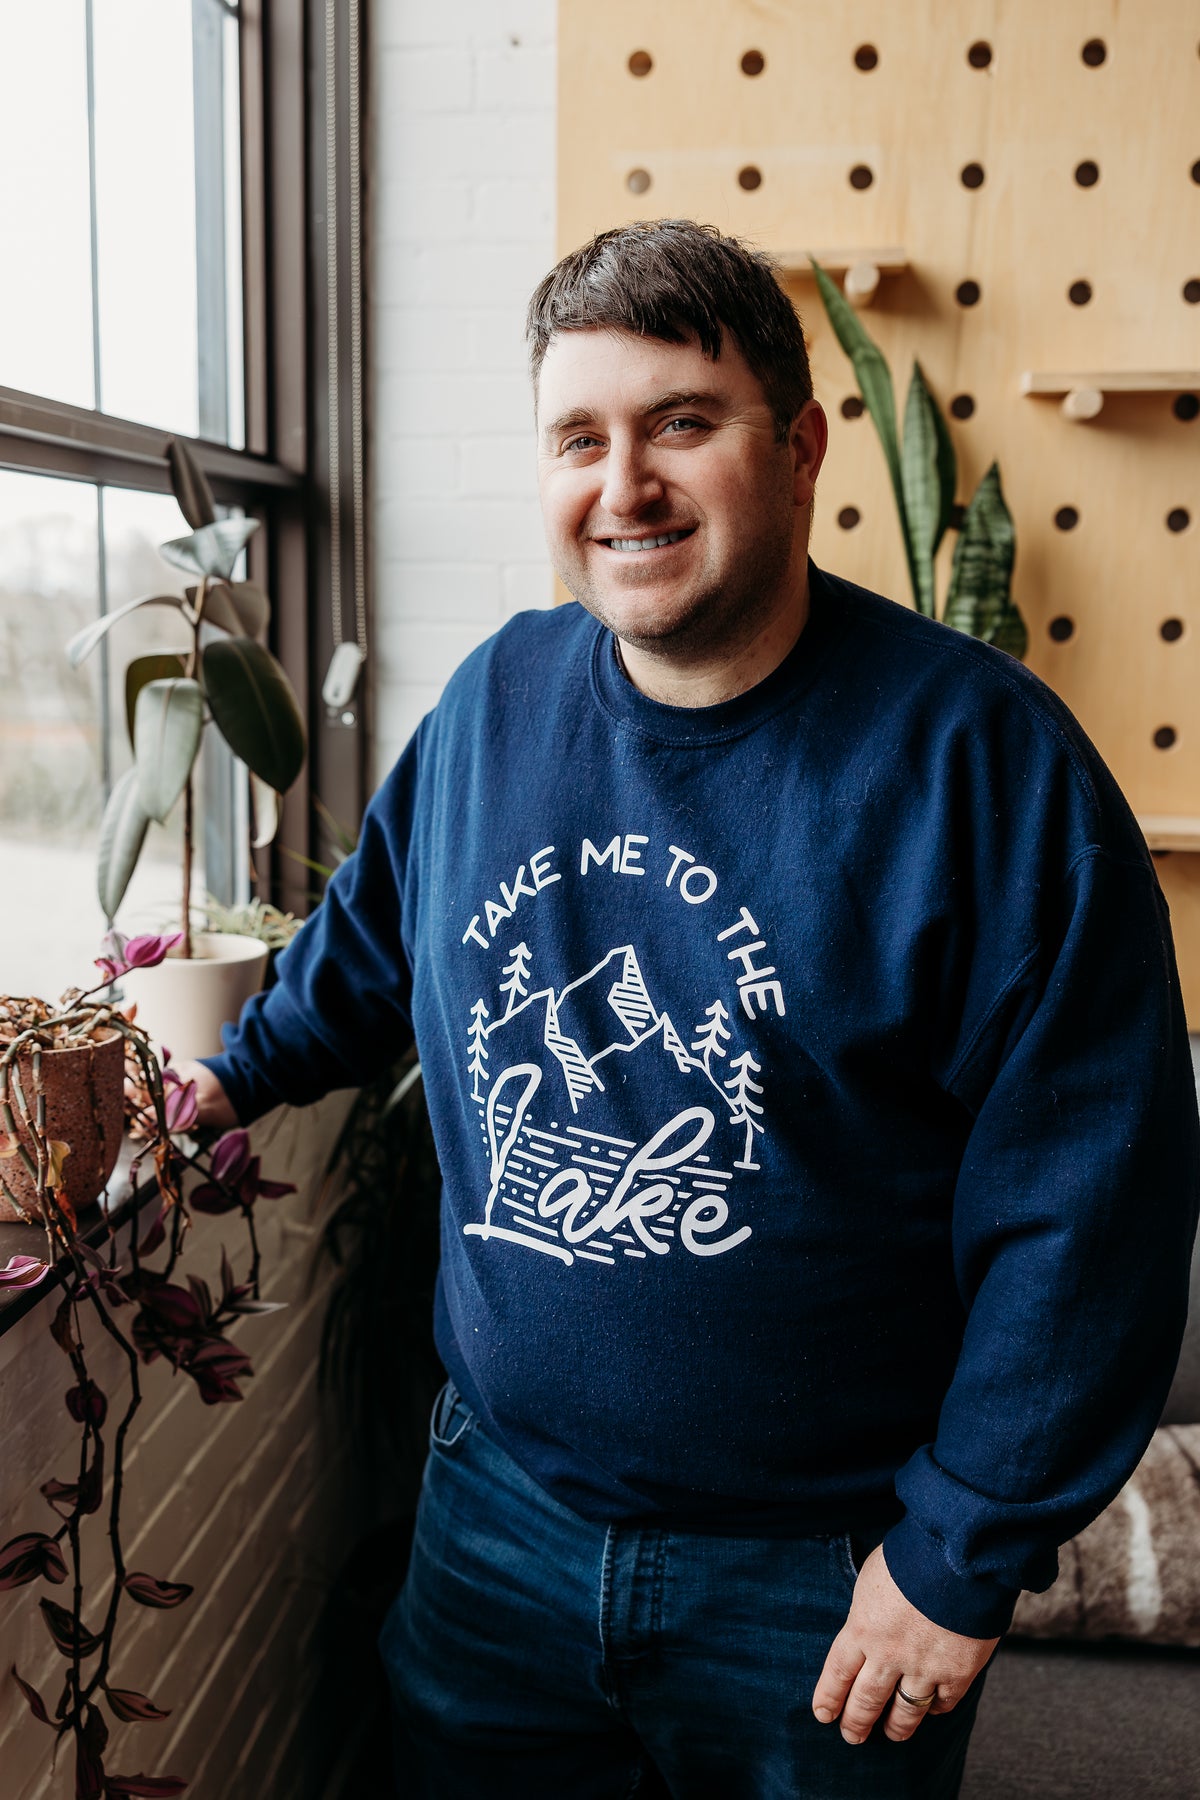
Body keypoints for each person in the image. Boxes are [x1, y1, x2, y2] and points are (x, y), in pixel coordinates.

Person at [181, 219, 1200, 1798]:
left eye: (680, 424)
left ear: (798, 449)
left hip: (825, 1580)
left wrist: (957, 1552)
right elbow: (376, 943)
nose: (625, 485)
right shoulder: (495, 704)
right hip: (497, 1528)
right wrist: (219, 1088)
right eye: (579, 438)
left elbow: (1094, 1209)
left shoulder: (989, 772)